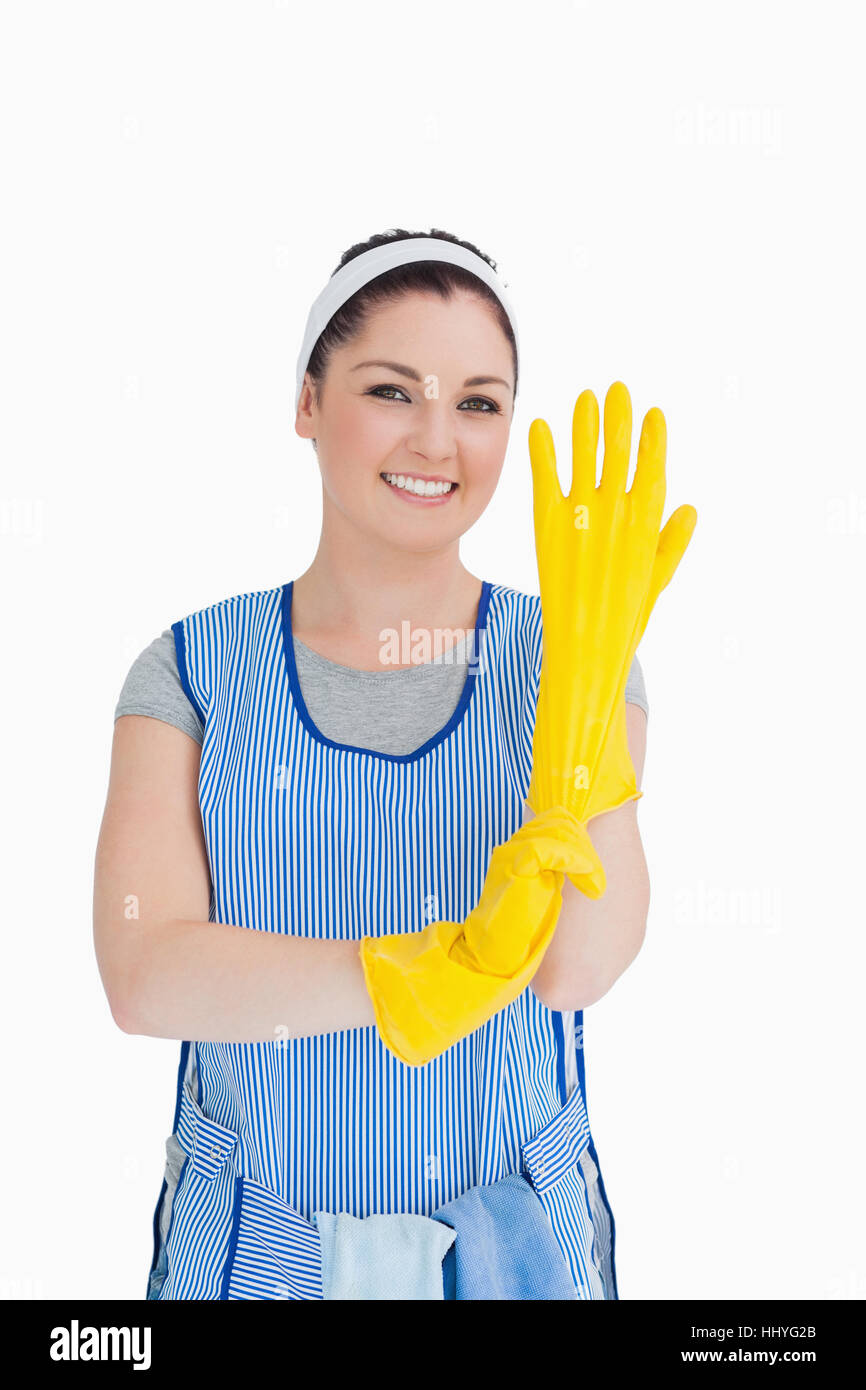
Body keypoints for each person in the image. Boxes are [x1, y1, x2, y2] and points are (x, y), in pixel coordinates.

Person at [93, 226, 653, 1300]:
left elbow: (576, 966)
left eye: (479, 402)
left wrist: (582, 716)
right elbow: (143, 974)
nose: (436, 439)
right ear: (307, 402)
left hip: (513, 1261)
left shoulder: (570, 658)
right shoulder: (191, 673)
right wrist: (421, 975)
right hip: (253, 1264)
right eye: (392, 389)